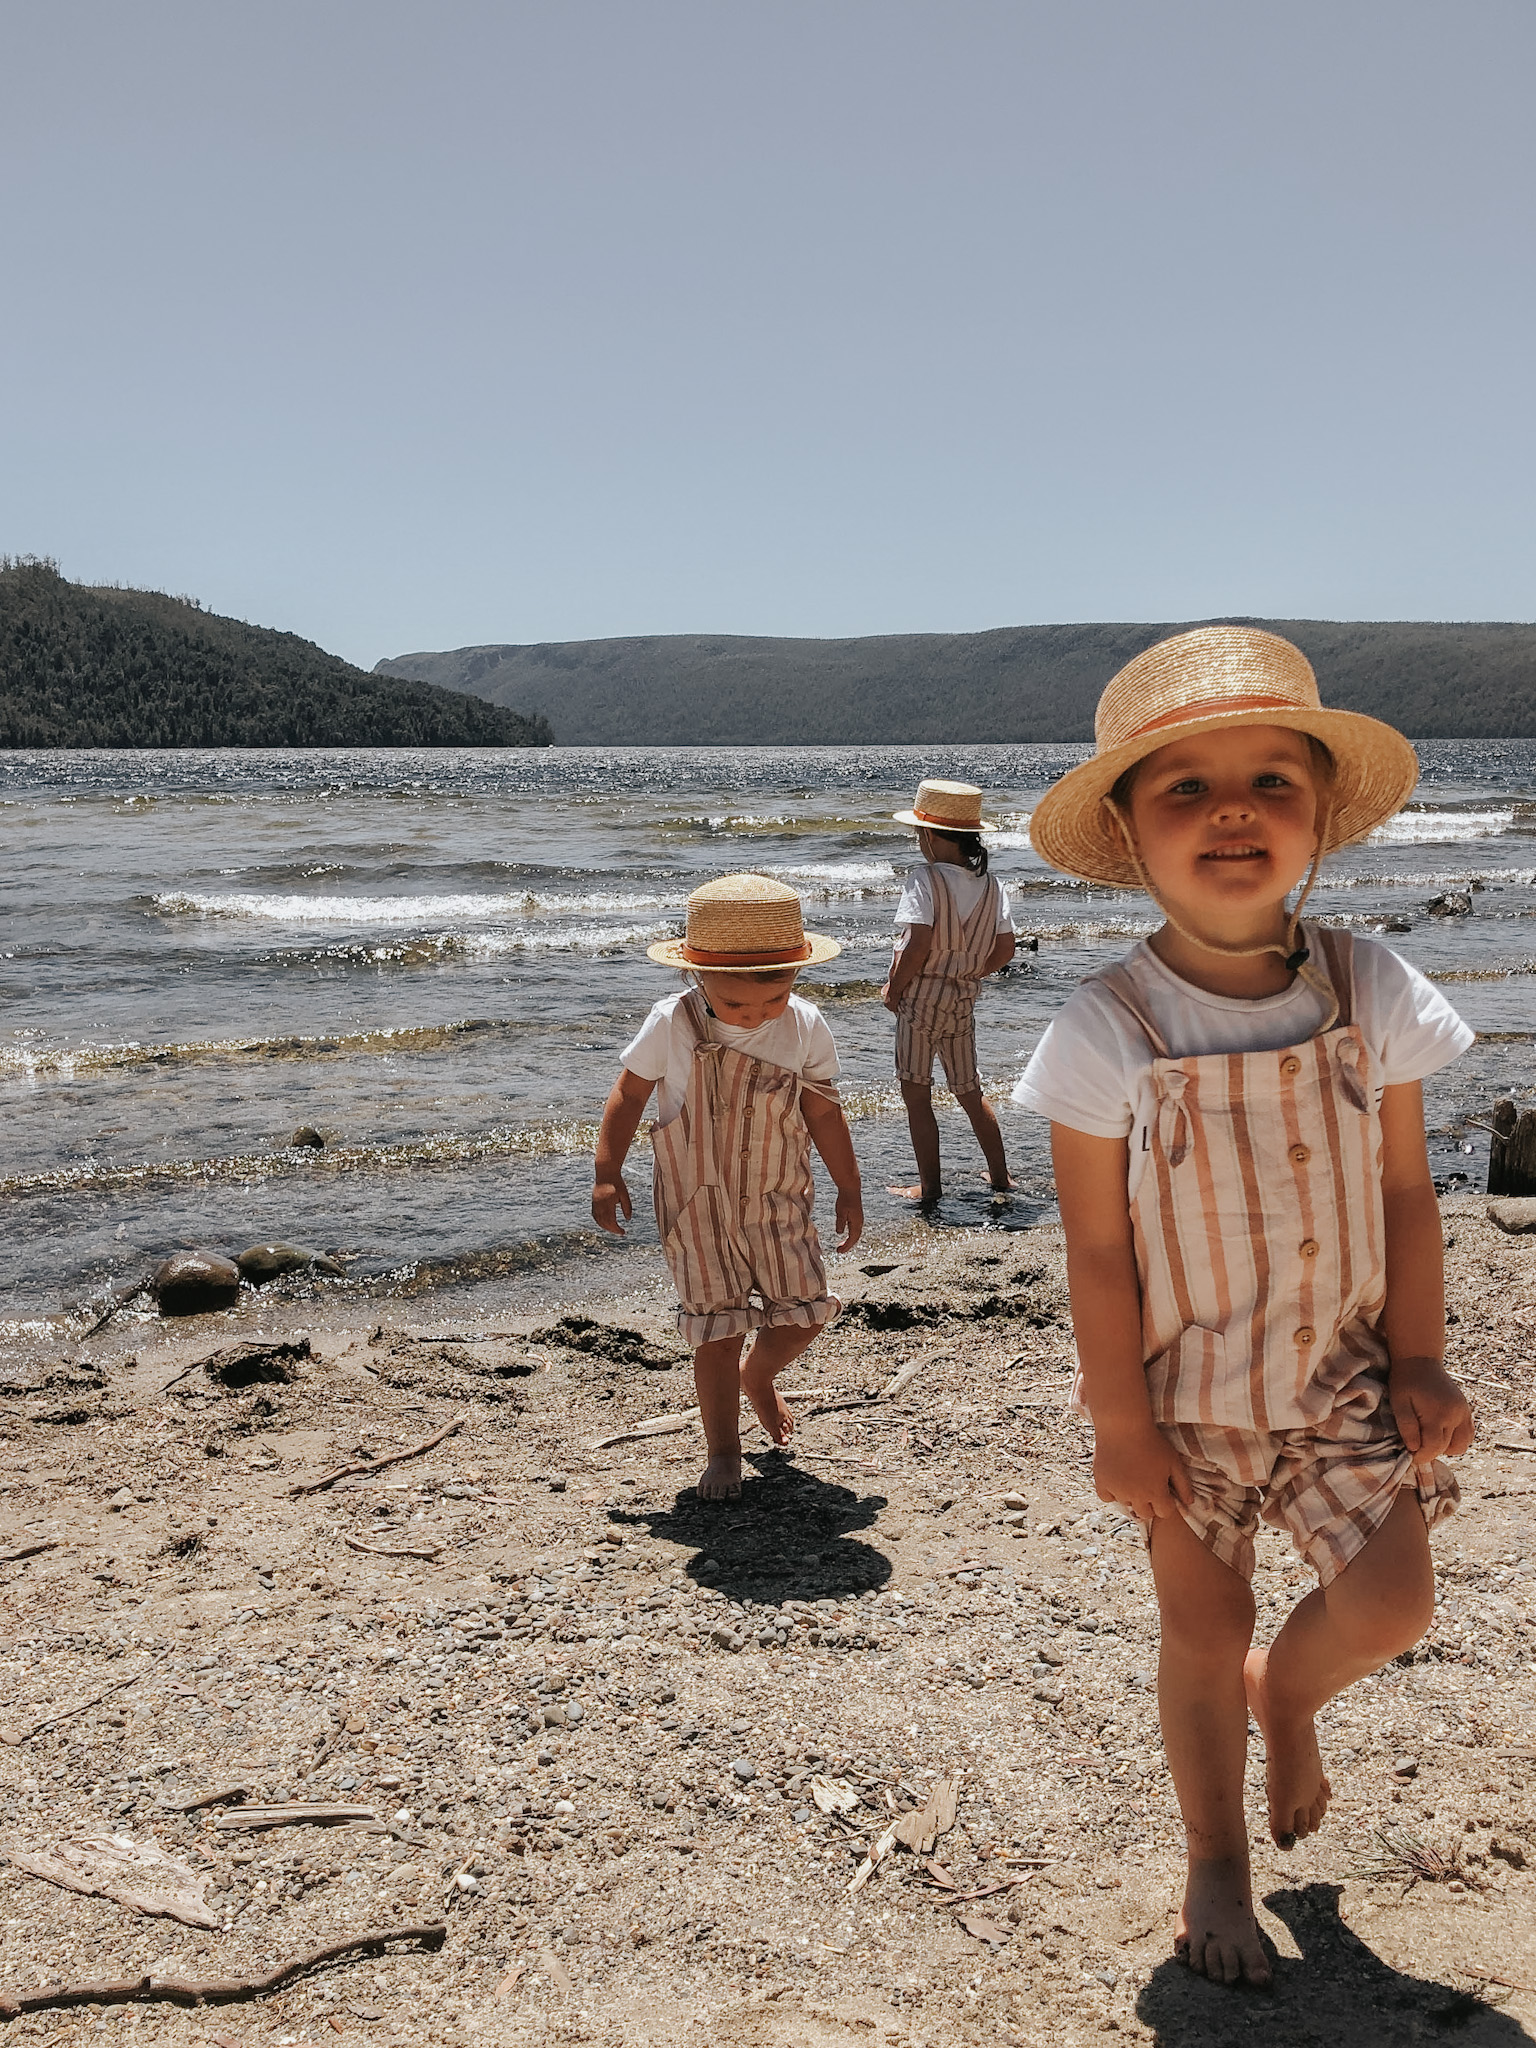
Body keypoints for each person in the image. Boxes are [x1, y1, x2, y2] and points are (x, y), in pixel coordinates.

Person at [1016, 626, 1474, 1989]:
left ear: (1320, 818)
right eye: (1184, 790)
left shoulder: (1370, 988)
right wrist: (1117, 1420)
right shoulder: (1108, 1029)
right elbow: (1096, 1251)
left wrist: (1423, 1358)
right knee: (1201, 1630)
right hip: (1186, 1400)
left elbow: (1404, 1195)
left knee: (1392, 1605)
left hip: (1340, 1380)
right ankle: (1215, 1854)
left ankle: (1296, 1695)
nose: (1232, 810)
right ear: (1130, 833)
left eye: (1273, 780)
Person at [591, 873, 863, 1500]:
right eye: (739, 1006)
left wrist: (848, 1187)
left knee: (805, 1313)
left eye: (771, 1002)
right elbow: (629, 1094)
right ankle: (722, 1450)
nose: (756, 1017)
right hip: (697, 1207)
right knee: (716, 1327)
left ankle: (759, 1377)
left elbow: (823, 1111)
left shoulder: (804, 1026)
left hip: (779, 1199)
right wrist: (608, 1173)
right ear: (697, 976)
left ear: (795, 976)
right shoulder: (673, 1023)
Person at [883, 778, 1017, 1204]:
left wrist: (894, 987)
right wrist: (972, 970)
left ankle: (930, 1187)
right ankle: (1000, 1176)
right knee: (968, 1090)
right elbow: (1006, 948)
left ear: (928, 836)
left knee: (916, 1094)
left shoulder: (923, 879)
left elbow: (917, 941)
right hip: (961, 999)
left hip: (920, 998)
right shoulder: (991, 886)